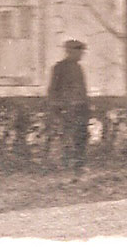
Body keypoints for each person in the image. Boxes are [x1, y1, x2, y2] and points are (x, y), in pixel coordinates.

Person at [47, 39, 90, 171]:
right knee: (67, 136)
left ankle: (79, 164)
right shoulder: (59, 68)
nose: (81, 54)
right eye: (79, 51)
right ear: (70, 51)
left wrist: (86, 106)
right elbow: (53, 89)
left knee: (82, 136)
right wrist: (58, 107)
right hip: (67, 108)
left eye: (82, 52)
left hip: (80, 107)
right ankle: (65, 164)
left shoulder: (78, 68)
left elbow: (82, 90)